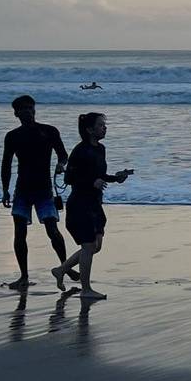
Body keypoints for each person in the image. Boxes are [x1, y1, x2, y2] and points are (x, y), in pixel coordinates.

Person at [51, 113, 132, 299]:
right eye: (101, 125)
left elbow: (99, 176)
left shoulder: (101, 149)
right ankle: (86, 289)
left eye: (104, 125)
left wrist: (116, 178)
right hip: (80, 204)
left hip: (95, 203)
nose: (105, 128)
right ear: (89, 129)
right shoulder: (80, 150)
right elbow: (69, 178)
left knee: (96, 246)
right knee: (88, 246)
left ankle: (61, 269)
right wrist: (91, 182)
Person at [1, 95, 71, 289]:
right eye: (22, 109)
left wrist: (61, 165)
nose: (27, 111)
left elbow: (63, 155)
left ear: (34, 109)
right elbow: (6, 164)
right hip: (22, 190)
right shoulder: (12, 136)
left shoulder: (49, 131)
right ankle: (24, 276)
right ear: (16, 114)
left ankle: (65, 266)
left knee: (53, 231)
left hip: (44, 190)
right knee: (19, 233)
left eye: (30, 107)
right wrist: (5, 190)